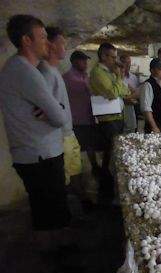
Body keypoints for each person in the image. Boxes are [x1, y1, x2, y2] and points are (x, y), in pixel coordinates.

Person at [0, 15, 71, 273]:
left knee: (52, 210)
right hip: (37, 155)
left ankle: (58, 256)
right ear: (26, 40)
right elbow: (60, 116)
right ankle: (51, 267)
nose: (47, 44)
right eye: (42, 38)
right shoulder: (24, 72)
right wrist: (56, 113)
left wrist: (55, 112)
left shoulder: (21, 69)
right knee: (46, 214)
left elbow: (56, 112)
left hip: (39, 152)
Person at [37, 27, 88, 209]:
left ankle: (83, 207)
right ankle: (66, 216)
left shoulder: (53, 71)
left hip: (67, 132)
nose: (64, 48)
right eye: (62, 44)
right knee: (63, 179)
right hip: (59, 136)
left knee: (75, 172)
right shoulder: (44, 73)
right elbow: (40, 110)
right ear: (50, 45)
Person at [89, 42, 130, 201]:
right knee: (110, 159)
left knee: (113, 157)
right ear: (103, 56)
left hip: (117, 118)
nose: (115, 60)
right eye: (112, 57)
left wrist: (119, 85)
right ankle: (105, 196)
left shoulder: (109, 72)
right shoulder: (98, 73)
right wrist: (119, 78)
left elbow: (125, 91)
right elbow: (113, 93)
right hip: (107, 121)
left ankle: (110, 193)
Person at [63, 51, 103, 179]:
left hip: (89, 116)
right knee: (77, 148)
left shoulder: (86, 76)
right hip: (76, 119)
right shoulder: (67, 78)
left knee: (90, 144)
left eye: (86, 61)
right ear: (74, 61)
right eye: (82, 61)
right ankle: (76, 175)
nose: (86, 63)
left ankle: (94, 166)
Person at [119, 53, 139, 133]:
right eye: (125, 63)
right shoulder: (118, 80)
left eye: (129, 62)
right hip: (121, 110)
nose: (128, 65)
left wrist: (130, 97)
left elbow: (137, 92)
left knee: (133, 129)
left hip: (133, 107)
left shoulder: (134, 78)